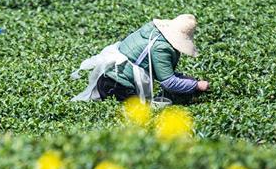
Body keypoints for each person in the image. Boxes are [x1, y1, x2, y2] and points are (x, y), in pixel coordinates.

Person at [72, 14, 208, 105]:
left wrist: (185, 79)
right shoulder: (162, 48)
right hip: (118, 87)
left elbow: (163, 73)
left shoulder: (152, 32)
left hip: (106, 80)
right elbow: (168, 82)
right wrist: (196, 85)